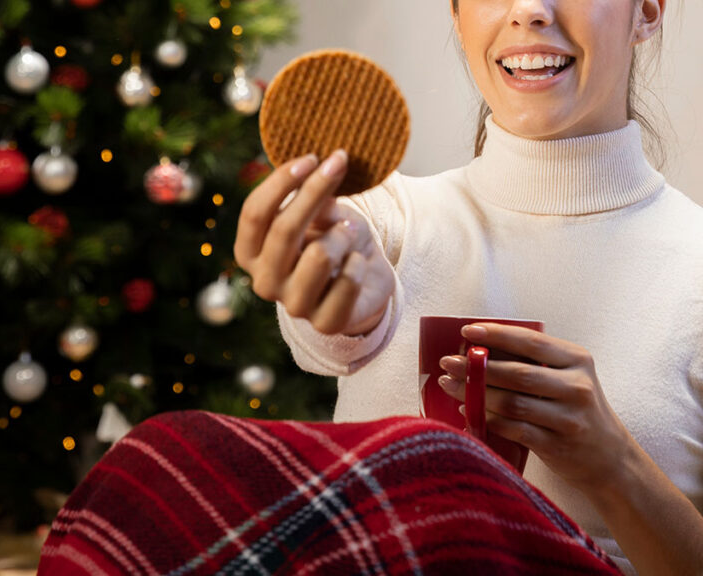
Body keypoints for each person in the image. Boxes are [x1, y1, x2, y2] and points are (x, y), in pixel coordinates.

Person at [232, 0, 703, 574]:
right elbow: (340, 292)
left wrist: (612, 463)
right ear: (457, 15)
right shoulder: (384, 219)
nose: (529, 9)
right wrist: (352, 313)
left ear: (647, 11)